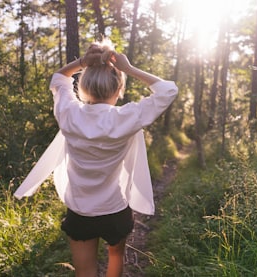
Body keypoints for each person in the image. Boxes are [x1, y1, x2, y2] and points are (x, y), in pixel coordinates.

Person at [48, 39, 178, 277]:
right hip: (115, 209)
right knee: (116, 258)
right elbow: (168, 90)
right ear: (119, 90)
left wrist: (81, 62)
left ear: (83, 86)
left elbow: (58, 79)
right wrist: (128, 69)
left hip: (80, 211)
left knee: (84, 270)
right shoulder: (126, 117)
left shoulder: (69, 113)